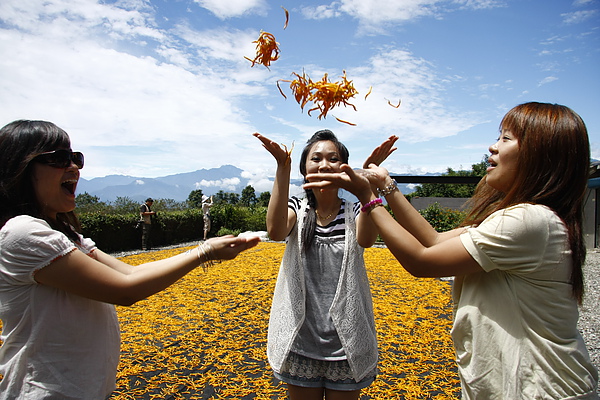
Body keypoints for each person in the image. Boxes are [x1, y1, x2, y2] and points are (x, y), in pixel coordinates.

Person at [304, 102, 599, 399]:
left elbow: (422, 262)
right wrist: (386, 185)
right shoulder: (518, 217)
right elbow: (433, 239)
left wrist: (368, 197)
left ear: (540, 156)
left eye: (505, 139)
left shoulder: (529, 221)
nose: (492, 147)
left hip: (542, 388)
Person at [0, 120, 260, 399]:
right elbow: (125, 290)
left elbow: (129, 272)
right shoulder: (23, 233)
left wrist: (206, 249)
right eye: (60, 158)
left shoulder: (66, 234)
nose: (73, 167)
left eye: (76, 158)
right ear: (21, 169)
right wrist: (205, 252)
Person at [254, 130, 398, 400]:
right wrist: (282, 168)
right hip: (302, 340)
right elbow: (275, 231)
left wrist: (370, 183)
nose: (324, 164)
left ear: (344, 169)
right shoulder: (298, 207)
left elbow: (366, 239)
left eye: (333, 159)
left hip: (346, 342)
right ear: (304, 169)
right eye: (315, 158)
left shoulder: (354, 210)